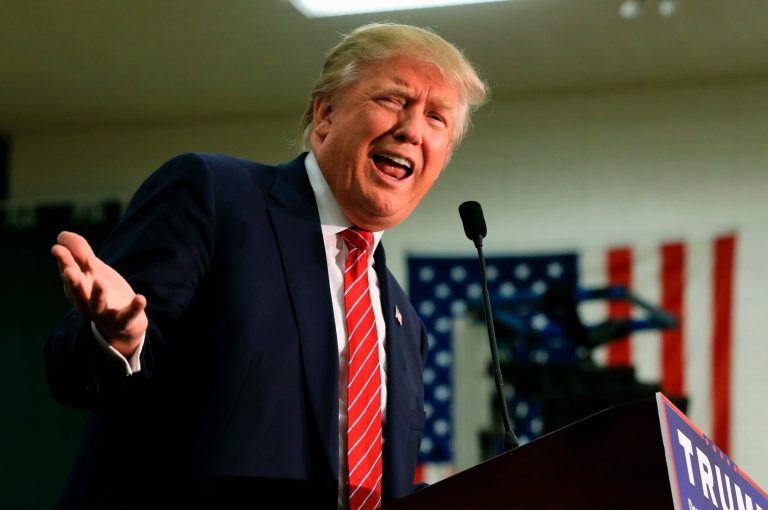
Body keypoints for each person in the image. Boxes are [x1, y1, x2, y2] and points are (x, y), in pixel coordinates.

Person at [45, 22, 488, 509]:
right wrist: (118, 340)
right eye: (393, 100)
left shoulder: (406, 324)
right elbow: (73, 370)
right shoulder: (215, 196)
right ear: (324, 114)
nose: (411, 130)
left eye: (437, 118)